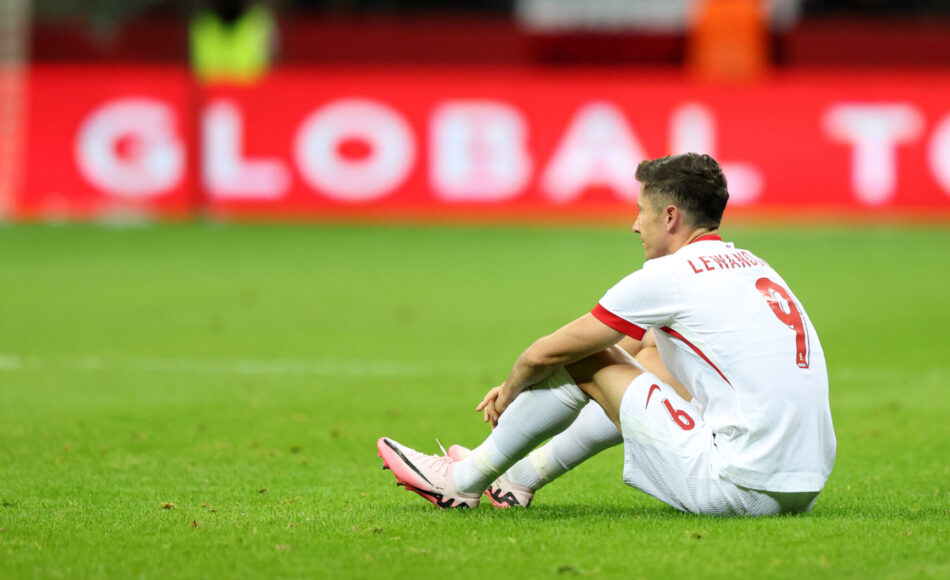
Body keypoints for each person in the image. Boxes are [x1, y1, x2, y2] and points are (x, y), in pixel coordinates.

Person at [377, 153, 836, 516]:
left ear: (670, 217)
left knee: (581, 356)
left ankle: (462, 481)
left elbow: (546, 354)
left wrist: (511, 391)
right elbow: (633, 349)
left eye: (641, 211)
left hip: (736, 486)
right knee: (654, 353)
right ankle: (518, 477)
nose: (635, 224)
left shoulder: (670, 276)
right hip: (803, 487)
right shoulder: (754, 266)